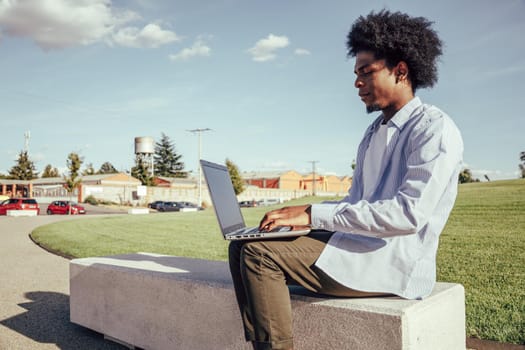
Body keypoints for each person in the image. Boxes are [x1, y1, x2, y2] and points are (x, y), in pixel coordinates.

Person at [229, 9, 464, 350]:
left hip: (391, 263)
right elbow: (355, 202)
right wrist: (302, 217)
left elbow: (408, 215)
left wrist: (311, 214)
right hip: (360, 244)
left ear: (401, 71)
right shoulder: (373, 132)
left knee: (260, 256)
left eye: (366, 72)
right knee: (241, 246)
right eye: (356, 74)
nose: (357, 83)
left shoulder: (434, 129)